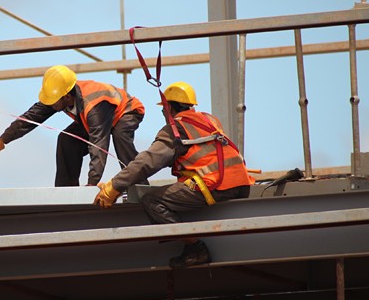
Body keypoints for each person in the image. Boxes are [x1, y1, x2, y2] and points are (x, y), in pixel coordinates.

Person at [93, 82, 254, 268]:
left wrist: (115, 185)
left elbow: (148, 161)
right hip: (241, 184)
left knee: (152, 200)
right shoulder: (209, 120)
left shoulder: (176, 129)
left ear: (168, 107)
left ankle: (195, 248)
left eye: (164, 109)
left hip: (215, 185)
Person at [0, 65, 146, 187]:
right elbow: (28, 120)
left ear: (67, 97)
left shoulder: (93, 107)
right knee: (67, 139)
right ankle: (66, 191)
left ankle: (138, 184)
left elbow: (98, 145)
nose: (50, 106)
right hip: (95, 121)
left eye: (53, 103)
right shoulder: (58, 95)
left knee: (120, 136)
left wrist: (92, 184)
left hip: (126, 111)